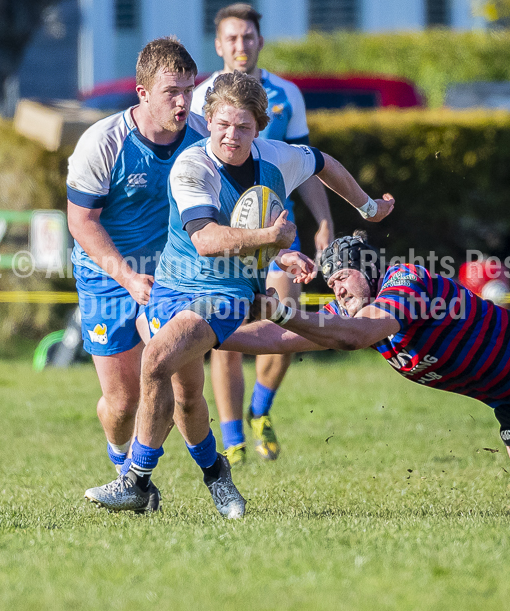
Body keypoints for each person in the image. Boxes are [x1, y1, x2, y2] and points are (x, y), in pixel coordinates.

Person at [85, 72, 394, 517]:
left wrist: (367, 206)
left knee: (154, 360)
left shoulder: (276, 156)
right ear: (207, 119)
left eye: (244, 127)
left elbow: (322, 162)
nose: (232, 135)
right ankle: (219, 479)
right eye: (223, 124)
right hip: (172, 286)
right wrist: (273, 239)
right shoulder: (191, 167)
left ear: (259, 127)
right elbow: (206, 239)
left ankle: (135, 481)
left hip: (228, 292)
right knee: (187, 397)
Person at [223, 231, 510, 515]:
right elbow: (275, 339)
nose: (337, 287)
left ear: (373, 270)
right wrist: (212, 333)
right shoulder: (352, 314)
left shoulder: (405, 283)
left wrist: (282, 311)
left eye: (344, 276)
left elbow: (356, 335)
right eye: (332, 283)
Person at [66, 37, 208, 512]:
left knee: (165, 381)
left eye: (189, 89)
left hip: (170, 277)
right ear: (142, 92)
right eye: (172, 92)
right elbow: (81, 221)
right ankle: (120, 458)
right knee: (123, 404)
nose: (184, 101)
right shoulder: (103, 143)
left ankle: (136, 480)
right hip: (106, 274)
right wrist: (127, 276)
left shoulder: (203, 138)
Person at [192, 3, 335, 465]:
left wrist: (325, 223)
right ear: (219, 45)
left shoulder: (286, 93)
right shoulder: (200, 97)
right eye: (231, 38)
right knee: (227, 334)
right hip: (223, 236)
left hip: (276, 231)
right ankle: (232, 439)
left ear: (259, 41)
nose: (240, 45)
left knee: (285, 315)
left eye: (248, 37)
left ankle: (260, 410)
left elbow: (306, 165)